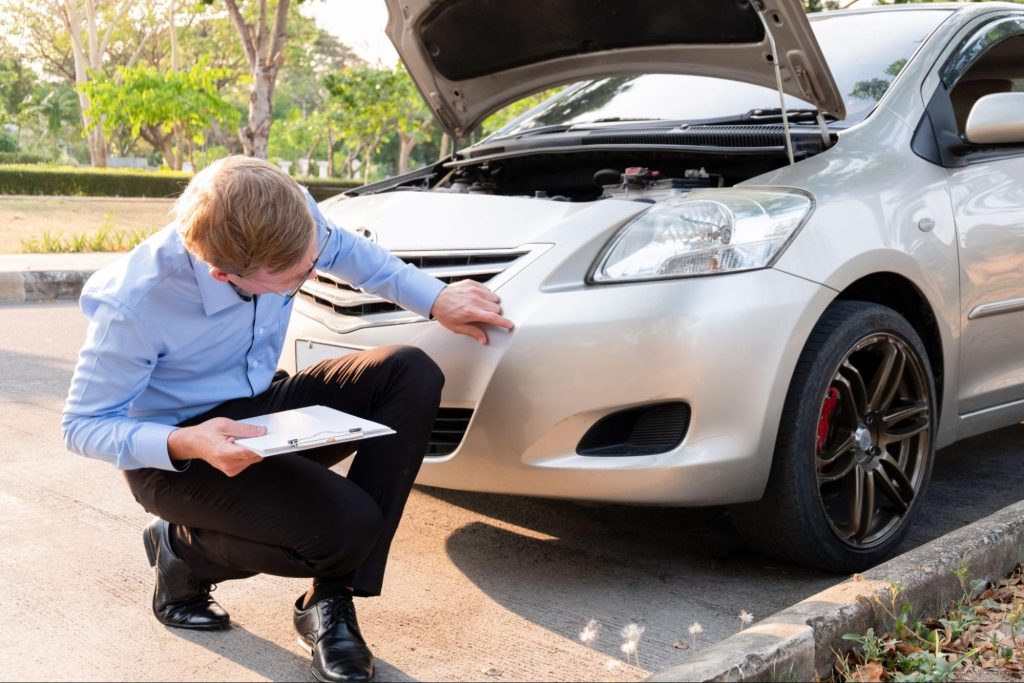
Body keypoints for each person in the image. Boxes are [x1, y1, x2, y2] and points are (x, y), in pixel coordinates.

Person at [61, 155, 514, 682]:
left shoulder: (286, 212)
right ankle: (181, 548)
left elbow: (354, 254)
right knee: (349, 528)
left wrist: (436, 298)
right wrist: (190, 442)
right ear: (223, 273)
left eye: (311, 258)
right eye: (293, 277)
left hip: (259, 408)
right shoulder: (135, 303)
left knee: (407, 372)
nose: (313, 273)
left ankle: (330, 597)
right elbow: (82, 426)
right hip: (178, 455)